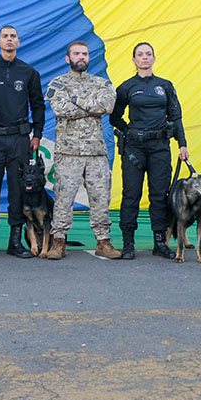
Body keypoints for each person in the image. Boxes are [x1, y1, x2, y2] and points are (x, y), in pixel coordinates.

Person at [109, 42, 189, 260]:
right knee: (131, 195)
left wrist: (182, 144)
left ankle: (159, 243)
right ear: (134, 60)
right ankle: (128, 244)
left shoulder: (165, 85)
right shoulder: (127, 87)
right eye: (140, 55)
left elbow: (175, 117)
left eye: (148, 54)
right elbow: (114, 117)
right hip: (134, 149)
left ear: (154, 58)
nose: (144, 57)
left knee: (159, 195)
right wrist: (129, 131)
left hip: (160, 148)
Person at [0, 25, 45, 259]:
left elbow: (37, 105)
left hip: (19, 140)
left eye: (13, 37)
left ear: (18, 42)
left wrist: (37, 135)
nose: (9, 40)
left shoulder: (28, 72)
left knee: (18, 191)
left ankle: (16, 242)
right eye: (5, 37)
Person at [45, 40, 119, 260]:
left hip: (95, 152)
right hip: (68, 152)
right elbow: (60, 109)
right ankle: (59, 241)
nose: (81, 57)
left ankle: (103, 241)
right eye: (76, 53)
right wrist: (90, 106)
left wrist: (76, 99)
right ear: (68, 58)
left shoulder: (102, 83)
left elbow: (107, 106)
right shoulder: (57, 84)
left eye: (84, 54)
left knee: (100, 198)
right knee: (63, 198)